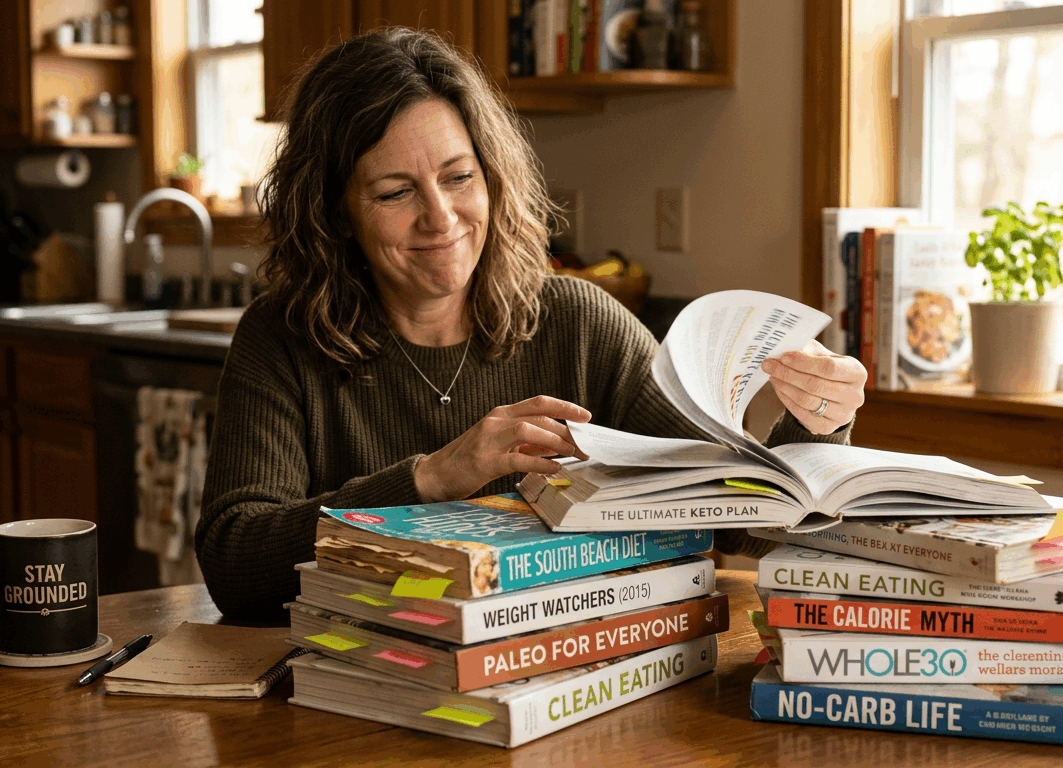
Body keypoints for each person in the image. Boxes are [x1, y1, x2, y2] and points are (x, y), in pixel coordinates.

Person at [194, 27, 867, 620]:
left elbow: (741, 528)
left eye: (459, 178)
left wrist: (815, 423)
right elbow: (234, 566)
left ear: (492, 178)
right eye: (396, 192)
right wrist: (432, 477)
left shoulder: (579, 323)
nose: (441, 217)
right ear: (336, 210)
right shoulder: (281, 338)